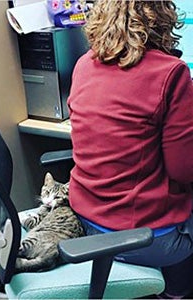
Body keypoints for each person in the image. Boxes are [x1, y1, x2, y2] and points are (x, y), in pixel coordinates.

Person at [67, 0, 193, 298]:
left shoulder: (84, 63)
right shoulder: (171, 73)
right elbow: (183, 170)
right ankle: (177, 292)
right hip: (144, 239)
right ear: (162, 16)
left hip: (85, 225)